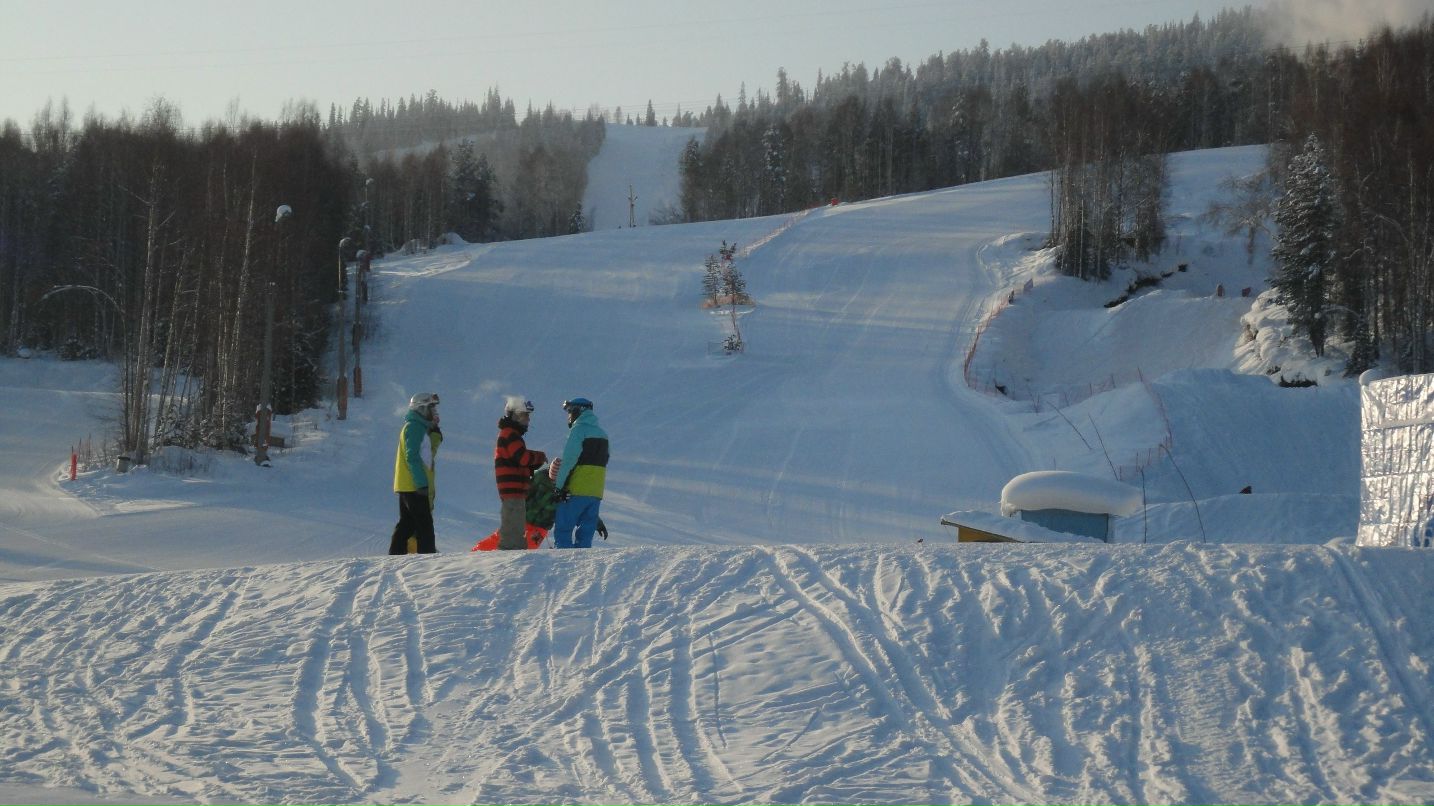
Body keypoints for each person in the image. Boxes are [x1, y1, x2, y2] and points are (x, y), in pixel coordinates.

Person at [472, 461, 607, 551]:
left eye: (558, 480)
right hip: (523, 518)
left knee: (527, 549)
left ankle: (511, 571)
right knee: (501, 539)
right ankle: (475, 553)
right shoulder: (540, 477)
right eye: (553, 478)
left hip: (541, 526)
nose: (555, 482)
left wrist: (597, 523)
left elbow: (578, 508)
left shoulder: (569, 487)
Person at [551, 397, 609, 549]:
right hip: (595, 493)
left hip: (575, 490)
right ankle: (581, 569)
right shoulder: (603, 435)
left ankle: (563, 566)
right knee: (585, 535)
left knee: (563, 530)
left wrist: (558, 487)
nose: (568, 416)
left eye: (569, 411)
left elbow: (569, 460)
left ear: (578, 411)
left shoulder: (578, 431)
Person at [389, 392, 441, 554]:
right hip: (413, 486)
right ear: (422, 408)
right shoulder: (414, 427)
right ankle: (427, 557)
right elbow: (412, 456)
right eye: (431, 407)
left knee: (408, 523)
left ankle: (396, 555)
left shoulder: (420, 428)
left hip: (410, 484)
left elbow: (427, 454)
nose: (434, 412)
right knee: (424, 525)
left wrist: (435, 432)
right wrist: (421, 483)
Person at [494, 396, 547, 550]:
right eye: (525, 416)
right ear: (515, 415)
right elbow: (522, 458)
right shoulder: (509, 434)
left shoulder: (511, 434)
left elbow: (518, 461)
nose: (528, 420)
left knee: (516, 522)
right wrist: (539, 457)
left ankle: (515, 549)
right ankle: (510, 551)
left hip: (516, 489)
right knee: (513, 524)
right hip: (512, 488)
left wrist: (533, 464)